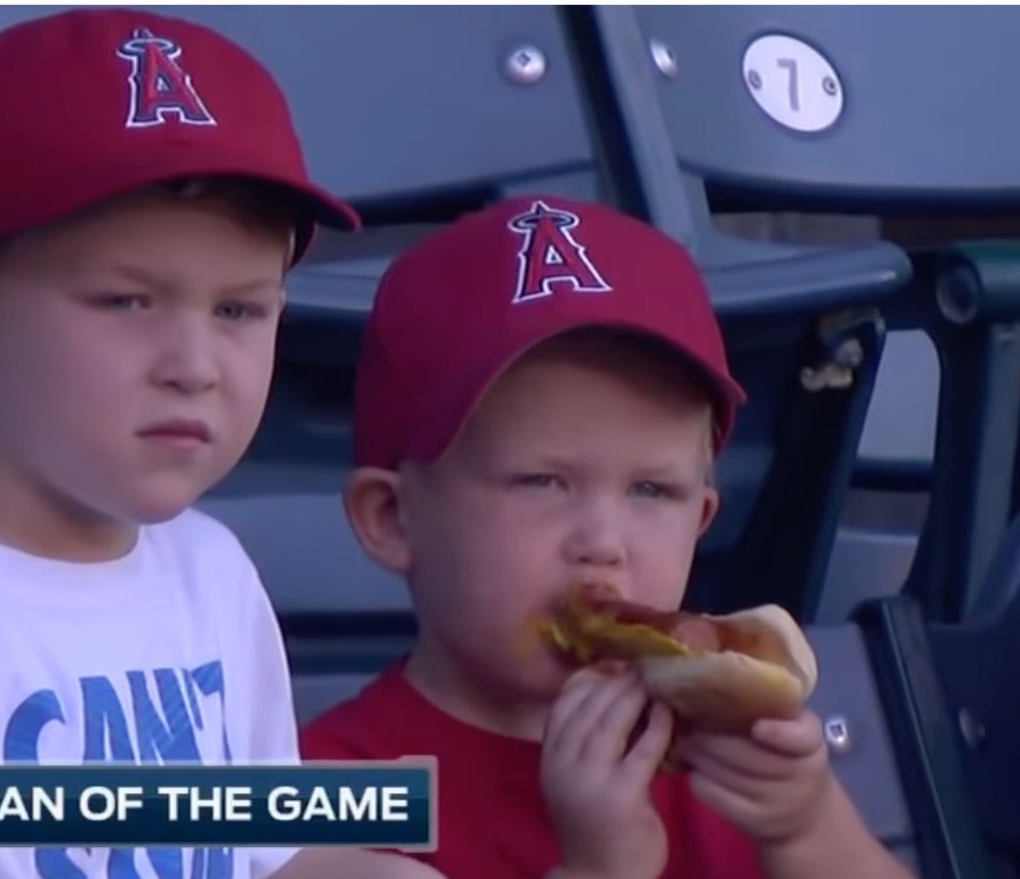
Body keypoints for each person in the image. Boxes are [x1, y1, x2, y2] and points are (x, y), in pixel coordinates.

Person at [0, 9, 442, 879]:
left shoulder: (211, 571)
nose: (195, 366)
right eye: (127, 301)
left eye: (238, 309)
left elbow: (259, 852)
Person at [301, 195, 915, 879]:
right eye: (542, 482)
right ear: (392, 517)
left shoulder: (719, 752)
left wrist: (807, 827)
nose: (603, 541)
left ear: (702, 521)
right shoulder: (324, 790)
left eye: (651, 490)